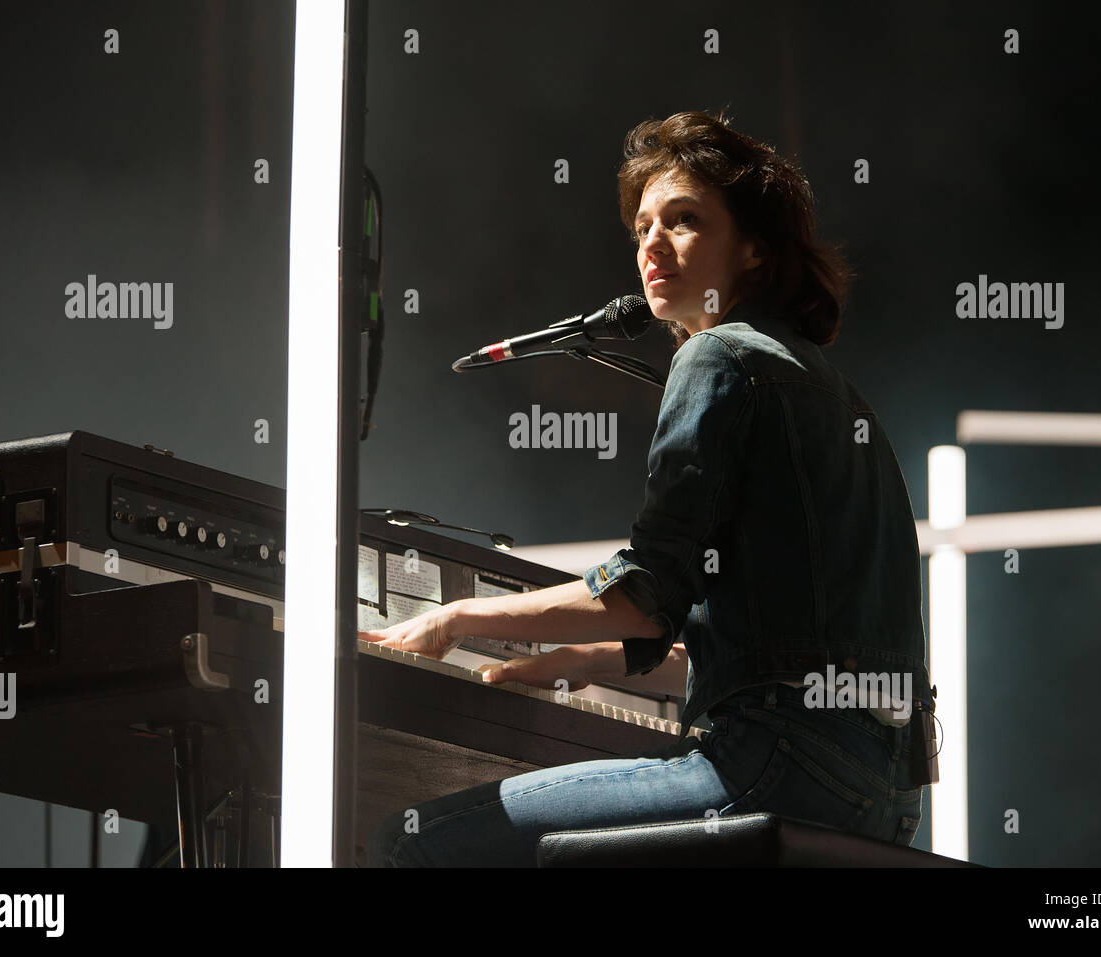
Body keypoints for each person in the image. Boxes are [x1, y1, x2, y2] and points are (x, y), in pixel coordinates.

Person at [360, 109, 934, 867]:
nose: (652, 246)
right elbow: (785, 650)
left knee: (411, 844)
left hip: (775, 768)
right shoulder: (847, 403)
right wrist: (589, 662)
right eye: (641, 228)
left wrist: (457, 619)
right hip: (885, 798)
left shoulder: (718, 358)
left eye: (685, 221)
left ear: (754, 247)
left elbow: (644, 593)